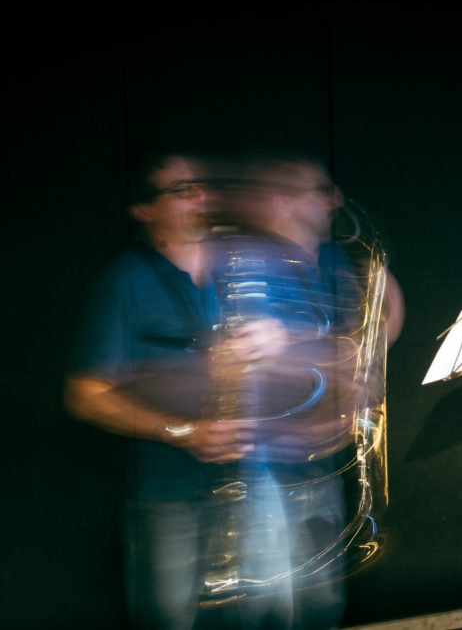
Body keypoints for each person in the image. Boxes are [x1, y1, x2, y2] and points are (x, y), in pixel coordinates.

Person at [65, 149, 399, 629]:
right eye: (183, 190)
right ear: (144, 210)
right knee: (171, 618)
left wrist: (285, 342)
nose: (202, 197)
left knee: (275, 614)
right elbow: (85, 394)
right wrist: (181, 431)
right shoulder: (125, 283)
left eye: (202, 186)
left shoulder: (252, 265)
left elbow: (328, 345)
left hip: (261, 483)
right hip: (170, 492)